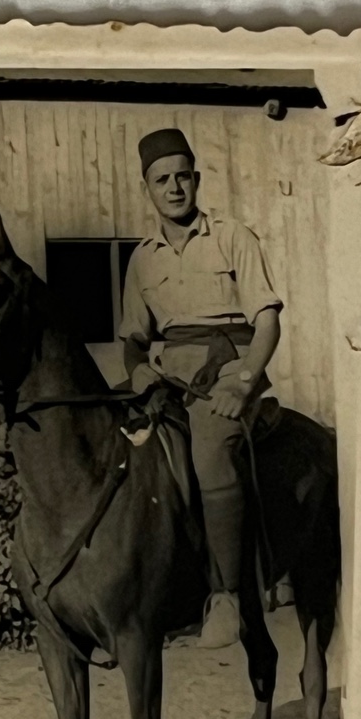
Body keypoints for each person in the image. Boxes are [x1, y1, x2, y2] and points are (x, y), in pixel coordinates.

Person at [119, 127, 283, 648]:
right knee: (112, 444)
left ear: (197, 180)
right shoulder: (142, 257)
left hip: (227, 368)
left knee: (211, 451)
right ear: (147, 188)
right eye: (162, 180)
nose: (174, 188)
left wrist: (245, 382)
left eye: (182, 177)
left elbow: (268, 322)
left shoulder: (233, 236)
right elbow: (133, 338)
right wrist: (138, 369)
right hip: (167, 375)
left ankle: (227, 595)